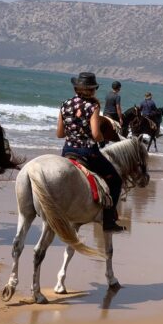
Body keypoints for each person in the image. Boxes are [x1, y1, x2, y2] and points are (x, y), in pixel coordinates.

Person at [57, 72, 125, 232]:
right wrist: (101, 138)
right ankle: (109, 221)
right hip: (87, 152)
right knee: (115, 180)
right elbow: (95, 134)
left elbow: (59, 134)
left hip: (67, 151)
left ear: (76, 88)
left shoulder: (65, 104)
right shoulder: (93, 107)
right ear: (93, 90)